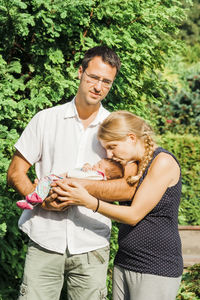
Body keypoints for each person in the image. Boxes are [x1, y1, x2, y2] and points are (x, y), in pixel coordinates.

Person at [7, 46, 136, 300]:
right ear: (80, 72)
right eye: (93, 77)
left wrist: (80, 191)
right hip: (45, 239)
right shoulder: (45, 120)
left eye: (106, 82)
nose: (98, 87)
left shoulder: (116, 128)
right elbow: (15, 172)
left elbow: (128, 186)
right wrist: (41, 199)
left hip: (93, 244)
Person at [53, 111, 183, 300]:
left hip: (156, 266)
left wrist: (89, 202)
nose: (109, 154)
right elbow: (107, 189)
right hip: (125, 261)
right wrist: (92, 173)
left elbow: (133, 215)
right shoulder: (132, 165)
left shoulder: (162, 162)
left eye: (112, 147)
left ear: (131, 138)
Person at [16, 158, 124, 210]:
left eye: (99, 165)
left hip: (65, 181)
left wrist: (86, 168)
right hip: (65, 182)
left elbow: (81, 176)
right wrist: (86, 165)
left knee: (46, 181)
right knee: (45, 184)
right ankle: (32, 200)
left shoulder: (99, 176)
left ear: (108, 176)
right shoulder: (97, 174)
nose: (95, 165)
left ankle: (34, 198)